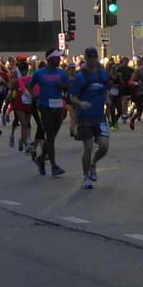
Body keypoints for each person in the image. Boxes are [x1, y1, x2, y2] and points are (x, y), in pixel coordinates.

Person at [69, 48, 111, 189]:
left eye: (95, 56)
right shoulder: (81, 76)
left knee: (104, 146)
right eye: (90, 57)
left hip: (99, 117)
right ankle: (85, 177)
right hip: (85, 117)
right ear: (86, 58)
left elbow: (105, 89)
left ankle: (93, 164)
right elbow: (72, 97)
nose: (93, 59)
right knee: (88, 147)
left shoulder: (103, 74)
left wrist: (107, 98)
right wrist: (81, 103)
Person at [30, 50, 69, 177]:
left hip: (58, 106)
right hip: (45, 106)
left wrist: (62, 86)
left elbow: (68, 87)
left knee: (52, 136)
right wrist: (35, 95)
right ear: (49, 59)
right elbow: (30, 86)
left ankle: (41, 159)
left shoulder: (62, 73)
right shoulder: (39, 73)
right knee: (50, 135)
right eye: (57, 58)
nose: (59, 60)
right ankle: (53, 166)